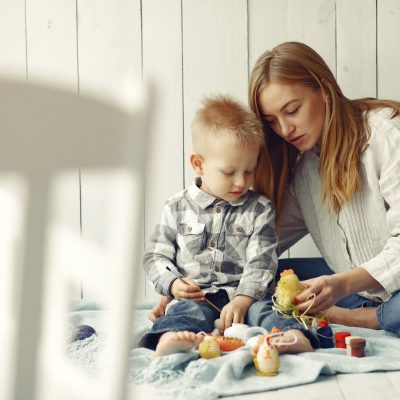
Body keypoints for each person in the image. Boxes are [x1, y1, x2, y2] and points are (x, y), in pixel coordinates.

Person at [139, 95, 316, 357]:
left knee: (266, 310)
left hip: (246, 294)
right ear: (199, 164)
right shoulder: (176, 207)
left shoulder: (259, 209)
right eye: (229, 172)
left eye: (248, 171)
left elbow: (262, 260)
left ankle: (294, 336)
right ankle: (169, 339)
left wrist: (244, 298)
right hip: (197, 296)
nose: (240, 182)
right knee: (185, 311)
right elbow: (156, 255)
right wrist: (172, 284)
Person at [247, 41, 400, 336]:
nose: (284, 129)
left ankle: (358, 318)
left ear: (324, 89)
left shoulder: (386, 136)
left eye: (292, 110)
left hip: (387, 295)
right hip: (359, 290)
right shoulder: (305, 171)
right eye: (272, 121)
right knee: (262, 276)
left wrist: (341, 285)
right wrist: (187, 280)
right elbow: (263, 241)